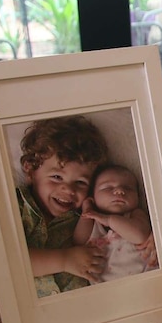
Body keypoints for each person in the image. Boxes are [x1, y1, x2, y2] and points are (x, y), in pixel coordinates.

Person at [17, 115, 109, 297]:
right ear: (30, 169)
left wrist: (153, 241)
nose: (68, 189)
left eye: (81, 182)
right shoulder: (15, 207)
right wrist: (65, 259)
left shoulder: (87, 214)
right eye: (57, 177)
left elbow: (123, 224)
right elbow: (9, 263)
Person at [73, 163, 153, 282]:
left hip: (144, 280)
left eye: (128, 188)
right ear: (93, 197)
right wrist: (87, 211)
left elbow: (140, 236)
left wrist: (109, 220)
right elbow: (78, 241)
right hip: (106, 291)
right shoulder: (93, 222)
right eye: (107, 188)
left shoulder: (135, 215)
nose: (119, 191)